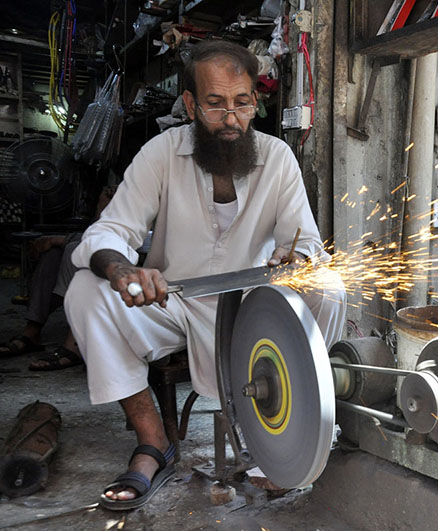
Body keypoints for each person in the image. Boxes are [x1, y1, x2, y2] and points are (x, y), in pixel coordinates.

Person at [64, 40, 346, 510]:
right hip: (170, 301)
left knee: (328, 287)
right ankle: (154, 443)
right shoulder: (160, 154)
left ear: (255, 102)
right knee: (84, 290)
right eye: (215, 104)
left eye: (240, 103)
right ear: (191, 104)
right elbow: (107, 233)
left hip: (251, 308)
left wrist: (293, 262)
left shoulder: (277, 159)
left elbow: (307, 244)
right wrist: (122, 269)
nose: (230, 119)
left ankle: (289, 428)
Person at [0, 186, 116, 370]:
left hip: (126, 258)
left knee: (75, 250)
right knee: (52, 254)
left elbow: (126, 237)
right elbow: (99, 229)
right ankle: (32, 332)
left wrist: (65, 239)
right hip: (100, 243)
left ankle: (75, 344)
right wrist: (104, 206)